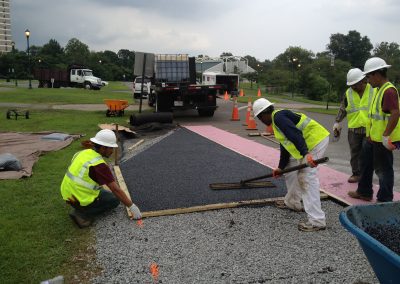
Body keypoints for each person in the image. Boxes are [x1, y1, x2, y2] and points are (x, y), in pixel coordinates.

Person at [253, 98, 329, 232]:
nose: (261, 121)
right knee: (289, 169)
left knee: (306, 177)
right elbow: (285, 147)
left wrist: (306, 154)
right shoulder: (277, 122)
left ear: (263, 114)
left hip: (315, 141)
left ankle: (317, 221)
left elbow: (295, 134)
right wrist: (281, 168)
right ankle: (293, 203)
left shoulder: (278, 118)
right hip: (305, 145)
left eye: (260, 118)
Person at [60, 129, 142, 228]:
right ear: (103, 148)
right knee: (114, 200)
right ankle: (82, 214)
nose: (112, 151)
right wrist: (132, 207)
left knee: (102, 191)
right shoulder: (99, 165)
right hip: (79, 198)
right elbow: (115, 189)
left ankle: (81, 207)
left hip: (67, 195)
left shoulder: (82, 153)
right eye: (111, 148)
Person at [348, 57, 400, 202]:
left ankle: (384, 199)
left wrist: (386, 136)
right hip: (372, 139)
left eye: (369, 76)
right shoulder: (379, 89)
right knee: (365, 164)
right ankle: (364, 192)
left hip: (382, 140)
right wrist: (371, 135)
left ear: (377, 74)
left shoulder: (388, 91)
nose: (367, 80)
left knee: (383, 171)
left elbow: (395, 113)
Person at [332, 68, 376, 183]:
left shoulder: (373, 90)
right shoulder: (348, 93)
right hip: (354, 129)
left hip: (370, 128)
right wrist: (337, 121)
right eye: (351, 85)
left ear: (363, 80)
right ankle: (356, 174)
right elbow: (343, 108)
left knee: (367, 154)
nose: (353, 87)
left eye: (355, 84)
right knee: (355, 153)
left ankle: (366, 177)